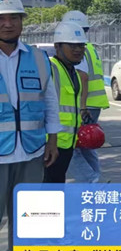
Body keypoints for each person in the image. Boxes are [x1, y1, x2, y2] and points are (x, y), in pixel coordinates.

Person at [0, 0, 59, 251]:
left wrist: (52, 139)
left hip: (32, 151)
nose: (8, 24)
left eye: (14, 18)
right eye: (2, 18)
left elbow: (50, 100)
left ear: (23, 22)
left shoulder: (38, 58)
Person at [63, 10, 108, 183]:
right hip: (93, 103)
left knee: (72, 146)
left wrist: (81, 107)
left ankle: (91, 181)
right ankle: (96, 180)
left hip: (85, 105)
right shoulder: (89, 48)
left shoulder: (76, 48)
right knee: (87, 146)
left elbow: (82, 76)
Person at [44, 22, 87, 183]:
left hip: (67, 144)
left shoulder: (73, 73)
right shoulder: (50, 68)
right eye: (72, 45)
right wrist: (49, 141)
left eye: (81, 45)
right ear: (57, 46)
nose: (78, 50)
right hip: (50, 144)